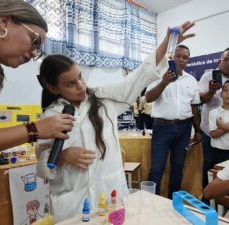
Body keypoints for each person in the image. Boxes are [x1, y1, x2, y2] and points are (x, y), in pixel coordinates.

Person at [34, 22, 196, 222]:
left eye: (80, 78)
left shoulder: (103, 99)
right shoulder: (50, 116)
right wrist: (64, 156)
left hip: (108, 190)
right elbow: (42, 163)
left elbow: (140, 75)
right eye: (70, 84)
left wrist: (168, 44)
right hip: (73, 199)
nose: (81, 86)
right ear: (52, 88)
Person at [0, 0, 74, 160]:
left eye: (38, 50)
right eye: (34, 41)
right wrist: (34, 129)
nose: (34, 53)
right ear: (4, 22)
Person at [146, 44, 201, 199]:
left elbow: (194, 107)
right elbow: (149, 98)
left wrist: (197, 130)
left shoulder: (191, 80)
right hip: (162, 128)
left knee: (178, 168)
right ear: (172, 57)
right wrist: (164, 82)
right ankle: (151, 203)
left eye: (185, 57)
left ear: (188, 61)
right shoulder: (158, 75)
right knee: (157, 169)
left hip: (184, 128)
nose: (181, 60)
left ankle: (172, 202)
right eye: (178, 56)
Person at [198, 47, 229, 190]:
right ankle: (207, 195)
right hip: (209, 129)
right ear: (219, 61)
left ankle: (228, 196)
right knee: (209, 162)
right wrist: (211, 91)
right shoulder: (208, 76)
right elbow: (201, 100)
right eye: (226, 60)